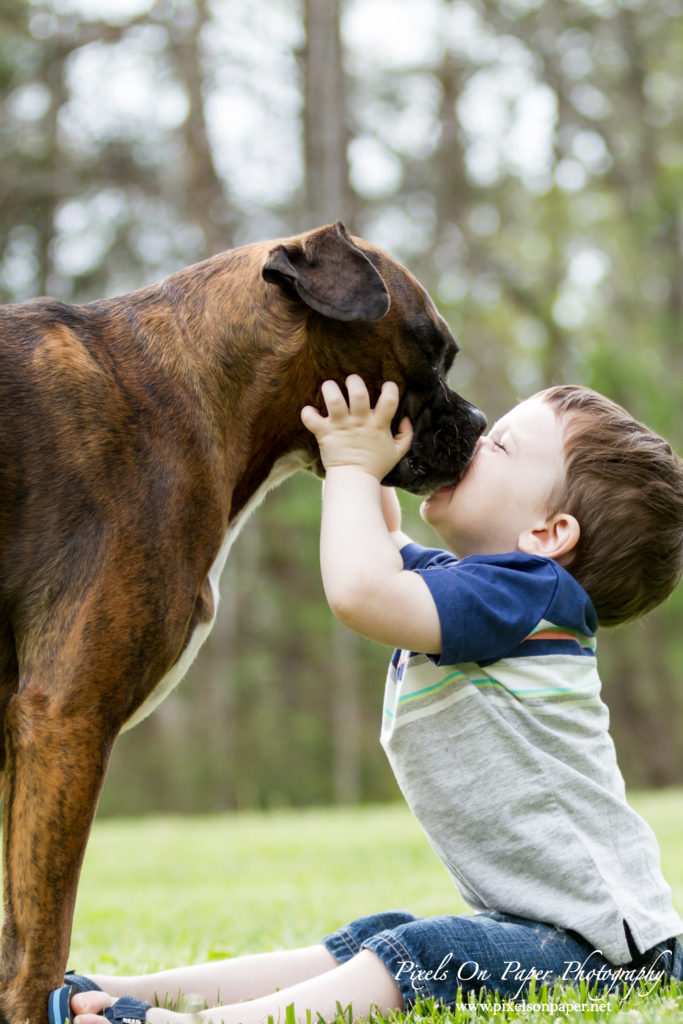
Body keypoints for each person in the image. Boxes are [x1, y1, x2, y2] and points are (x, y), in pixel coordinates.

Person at [52, 376, 683, 1024]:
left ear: (548, 535)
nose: (475, 442)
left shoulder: (531, 597)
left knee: (423, 953)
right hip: (544, 934)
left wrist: (353, 465)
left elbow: (361, 587)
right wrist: (365, 449)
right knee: (377, 937)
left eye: (499, 444)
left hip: (603, 955)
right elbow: (379, 544)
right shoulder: (488, 594)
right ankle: (135, 987)